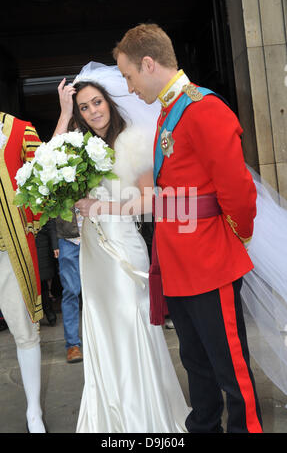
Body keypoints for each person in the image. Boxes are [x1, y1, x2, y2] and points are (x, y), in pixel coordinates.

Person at [113, 23, 263, 434]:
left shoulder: (204, 107)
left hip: (210, 260)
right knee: (197, 369)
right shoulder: (168, 110)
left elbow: (237, 190)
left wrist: (238, 237)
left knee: (231, 370)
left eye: (128, 76)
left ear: (148, 63)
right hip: (179, 266)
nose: (127, 87)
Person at [54, 63, 190, 433]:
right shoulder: (80, 146)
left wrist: (102, 207)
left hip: (123, 248)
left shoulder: (131, 139)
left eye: (97, 102)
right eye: (84, 107)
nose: (92, 111)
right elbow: (48, 170)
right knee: (102, 328)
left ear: (109, 102)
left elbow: (150, 200)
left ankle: (144, 418)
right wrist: (64, 115)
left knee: (131, 327)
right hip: (93, 253)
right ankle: (109, 419)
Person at [0, 111, 46, 433]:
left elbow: (42, 182)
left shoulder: (19, 130)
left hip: (9, 251)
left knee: (25, 333)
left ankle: (34, 412)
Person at [55, 210, 83, 363]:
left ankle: (102, 339)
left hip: (96, 236)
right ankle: (72, 345)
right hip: (67, 239)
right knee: (71, 291)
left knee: (99, 290)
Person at [36, 219, 58, 326]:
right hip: (22, 243)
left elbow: (50, 224)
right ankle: (34, 316)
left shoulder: (42, 202)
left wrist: (55, 245)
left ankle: (48, 309)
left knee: (41, 278)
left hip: (41, 242)